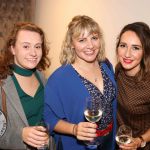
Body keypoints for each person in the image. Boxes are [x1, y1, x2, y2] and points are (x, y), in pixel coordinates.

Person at [44, 15, 117, 150]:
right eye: (82, 40)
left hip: (109, 139)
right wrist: (74, 129)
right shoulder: (59, 78)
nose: (90, 45)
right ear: (71, 44)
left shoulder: (106, 66)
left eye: (94, 38)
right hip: (78, 145)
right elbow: (48, 118)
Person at [0, 22, 53, 149]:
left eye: (37, 46)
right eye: (26, 46)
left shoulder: (42, 78)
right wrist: (20, 135)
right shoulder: (2, 83)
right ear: (12, 48)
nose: (33, 53)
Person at [115, 22, 150, 150]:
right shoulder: (118, 69)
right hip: (119, 142)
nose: (127, 54)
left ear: (145, 51)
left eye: (135, 48)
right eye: (123, 46)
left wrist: (140, 141)